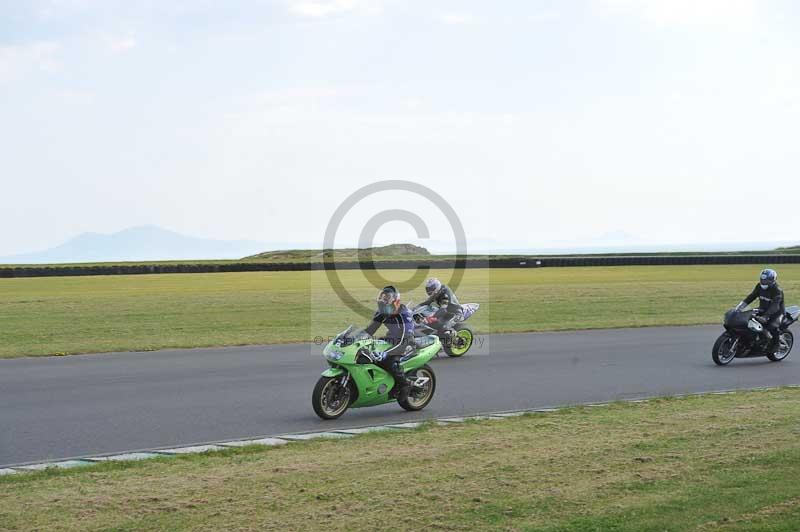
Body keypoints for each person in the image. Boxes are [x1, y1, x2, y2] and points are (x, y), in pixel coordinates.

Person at [365, 286, 415, 399]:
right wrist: (352, 339)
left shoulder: (404, 316)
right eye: (382, 298)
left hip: (406, 342)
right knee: (370, 351)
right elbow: (369, 331)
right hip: (391, 339)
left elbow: (404, 340)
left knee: (390, 361)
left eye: (386, 298)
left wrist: (386, 353)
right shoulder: (382, 313)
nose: (383, 301)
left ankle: (405, 384)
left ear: (395, 302)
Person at [736, 268, 785, 350]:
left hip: (777, 313)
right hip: (762, 309)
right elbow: (751, 297)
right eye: (762, 280)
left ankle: (777, 345)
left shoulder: (777, 290)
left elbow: (775, 306)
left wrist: (766, 316)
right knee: (747, 319)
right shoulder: (759, 286)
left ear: (772, 280)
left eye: (766, 280)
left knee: (772, 326)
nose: (763, 282)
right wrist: (740, 307)